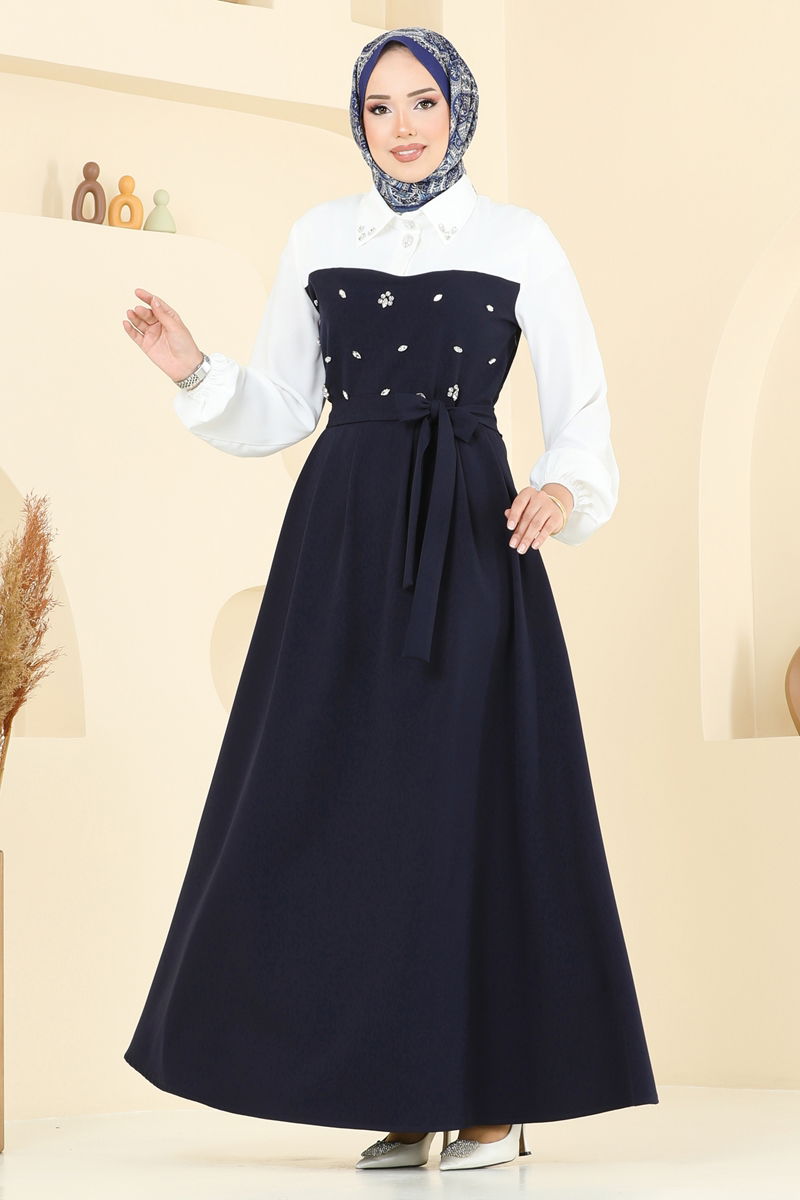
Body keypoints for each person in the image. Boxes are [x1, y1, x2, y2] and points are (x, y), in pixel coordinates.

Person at [121, 25, 658, 1173]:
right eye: (378, 107)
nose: (401, 126)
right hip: (341, 538)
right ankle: (400, 1092)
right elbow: (282, 404)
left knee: (467, 800)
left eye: (421, 103)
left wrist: (562, 488)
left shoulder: (517, 239)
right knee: (351, 806)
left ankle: (490, 1100)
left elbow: (582, 405)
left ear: (457, 110)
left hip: (470, 529)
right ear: (357, 121)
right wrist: (193, 371)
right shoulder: (320, 235)